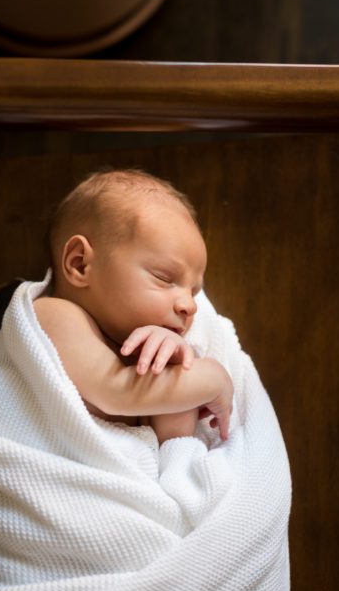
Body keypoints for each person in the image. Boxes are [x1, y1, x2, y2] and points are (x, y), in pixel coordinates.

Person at [34, 168, 234, 445]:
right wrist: (213, 378)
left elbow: (173, 444)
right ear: (80, 264)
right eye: (164, 278)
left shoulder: (140, 352)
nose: (190, 305)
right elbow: (116, 392)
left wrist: (175, 366)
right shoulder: (53, 315)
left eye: (195, 291)